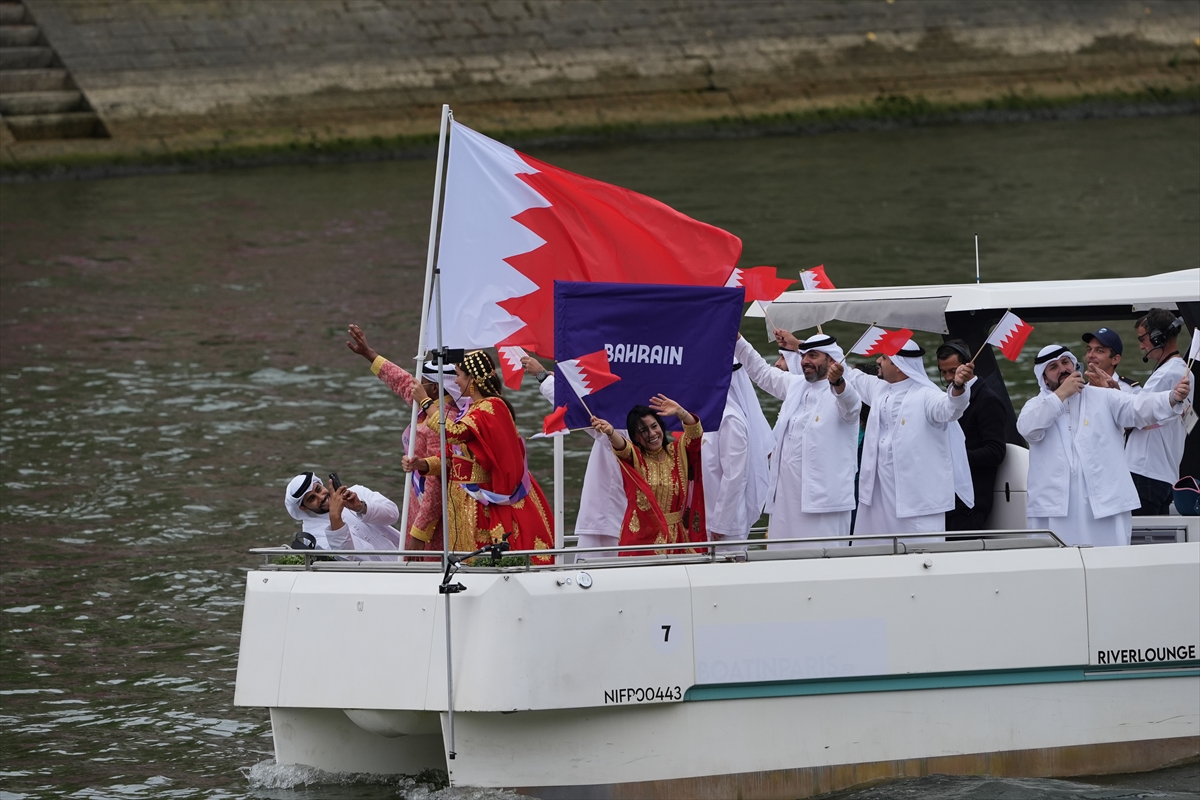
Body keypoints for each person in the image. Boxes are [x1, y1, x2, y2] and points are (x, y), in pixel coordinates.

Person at [1017, 345, 1190, 546]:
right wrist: (1060, 395)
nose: (1062, 369)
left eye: (1065, 362)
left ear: (1074, 365)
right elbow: (1028, 430)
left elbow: (1139, 407)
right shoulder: (1036, 406)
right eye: (1053, 367)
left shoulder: (1102, 396)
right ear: (1044, 378)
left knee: (1109, 569)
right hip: (1054, 510)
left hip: (1104, 507)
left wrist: (1172, 397)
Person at [401, 350, 555, 560]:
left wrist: (426, 402)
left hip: (481, 501)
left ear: (471, 379)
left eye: (459, 375)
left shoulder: (492, 407)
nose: (455, 380)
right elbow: (453, 454)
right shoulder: (472, 409)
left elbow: (454, 433)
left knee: (481, 559)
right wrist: (424, 465)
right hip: (462, 501)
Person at [838, 337, 974, 541]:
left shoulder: (927, 395)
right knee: (876, 553)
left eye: (884, 358)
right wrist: (799, 347)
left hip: (917, 498)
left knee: (918, 554)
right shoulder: (879, 389)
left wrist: (958, 386)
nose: (878, 362)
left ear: (899, 366)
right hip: (879, 495)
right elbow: (850, 375)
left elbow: (951, 408)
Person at [346, 324, 461, 556]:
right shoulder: (429, 407)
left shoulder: (441, 422)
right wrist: (369, 354)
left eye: (421, 382)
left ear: (435, 387)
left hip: (436, 514)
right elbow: (401, 381)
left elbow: (436, 485)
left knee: (427, 565)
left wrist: (419, 534)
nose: (415, 386)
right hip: (419, 503)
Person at [738, 332, 861, 546]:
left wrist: (839, 381)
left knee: (820, 567)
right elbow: (761, 372)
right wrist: (736, 339)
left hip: (822, 504)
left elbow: (851, 406)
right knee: (782, 564)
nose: (804, 361)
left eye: (812, 356)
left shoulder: (844, 393)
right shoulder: (796, 385)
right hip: (785, 499)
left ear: (832, 361)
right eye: (803, 356)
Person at [522, 355, 628, 551]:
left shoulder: (620, 427)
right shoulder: (628, 416)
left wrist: (542, 376)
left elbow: (582, 413)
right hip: (613, 517)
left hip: (611, 519)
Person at [590, 395, 705, 549]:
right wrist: (611, 432)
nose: (652, 434)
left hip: (677, 540)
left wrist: (680, 412)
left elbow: (695, 435)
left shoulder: (677, 453)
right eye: (643, 431)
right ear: (636, 438)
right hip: (642, 539)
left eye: (654, 426)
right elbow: (623, 448)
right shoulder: (637, 459)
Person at [935, 340, 1007, 532]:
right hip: (946, 500)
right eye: (944, 372)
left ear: (968, 365)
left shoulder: (987, 400)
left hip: (971, 504)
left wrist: (953, 457)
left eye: (953, 370)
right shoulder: (945, 400)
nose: (949, 377)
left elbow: (996, 451)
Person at [701, 362, 774, 548]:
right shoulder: (713, 415)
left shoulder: (730, 419)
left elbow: (734, 477)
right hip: (707, 518)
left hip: (724, 528)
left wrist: (720, 523)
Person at [1127, 310, 1193, 515]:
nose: (1141, 345)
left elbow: (1133, 416)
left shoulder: (1166, 374)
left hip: (1145, 472)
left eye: (1142, 338)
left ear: (1158, 337)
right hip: (1164, 473)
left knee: (1135, 542)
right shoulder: (1183, 371)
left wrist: (1108, 393)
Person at [284, 472, 400, 560]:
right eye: (312, 498)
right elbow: (347, 558)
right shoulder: (312, 535)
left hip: (410, 557)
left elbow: (394, 515)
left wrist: (361, 507)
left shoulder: (356, 492)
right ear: (303, 507)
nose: (321, 497)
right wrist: (335, 517)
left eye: (318, 489)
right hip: (379, 580)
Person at [1082, 327, 1138, 392]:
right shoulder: (1079, 390)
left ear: (1115, 359)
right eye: (1089, 350)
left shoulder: (1131, 391)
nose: (1090, 355)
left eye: (1099, 351)